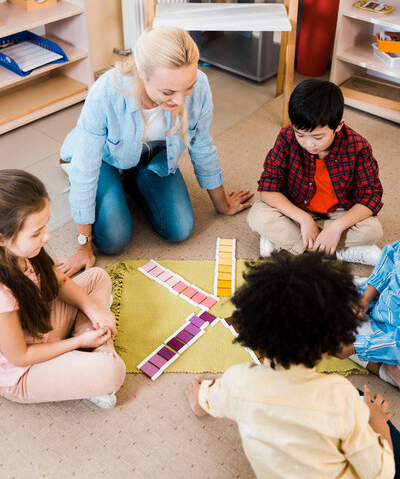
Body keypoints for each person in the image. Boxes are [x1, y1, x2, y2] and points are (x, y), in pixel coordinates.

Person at [58, 26, 252, 277]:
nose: (180, 101)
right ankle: (121, 180)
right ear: (141, 74)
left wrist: (222, 204)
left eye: (188, 88)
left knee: (180, 229)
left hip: (152, 156)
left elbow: (202, 145)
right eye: (168, 92)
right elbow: (85, 167)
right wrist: (83, 247)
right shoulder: (105, 93)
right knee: (114, 241)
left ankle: (132, 180)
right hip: (106, 159)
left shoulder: (200, 86)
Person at [186, 251, 398, 478]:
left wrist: (199, 397)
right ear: (330, 343)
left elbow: (207, 400)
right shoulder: (340, 396)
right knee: (373, 413)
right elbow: (381, 473)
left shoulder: (237, 379)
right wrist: (378, 425)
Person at [0, 169, 126, 408]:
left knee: (97, 277)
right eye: (37, 233)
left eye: (45, 226)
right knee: (112, 372)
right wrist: (78, 343)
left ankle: (86, 354)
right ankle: (89, 356)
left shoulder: (25, 251)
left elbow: (57, 281)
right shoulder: (2, 297)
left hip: (42, 328)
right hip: (23, 370)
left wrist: (94, 311)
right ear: (2, 239)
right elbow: (21, 356)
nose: (47, 236)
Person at [247, 78, 383, 265]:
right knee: (258, 216)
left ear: (339, 125)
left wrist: (336, 228)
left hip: (337, 213)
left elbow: (371, 196)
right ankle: (334, 251)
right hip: (296, 210)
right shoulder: (286, 138)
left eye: (318, 137)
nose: (308, 144)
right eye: (300, 134)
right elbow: (268, 187)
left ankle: (291, 243)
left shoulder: (358, 147)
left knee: (372, 230)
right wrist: (304, 220)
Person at [336, 239, 400, 389]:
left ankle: (383, 370)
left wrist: (357, 347)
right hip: (379, 304)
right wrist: (365, 299)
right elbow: (392, 255)